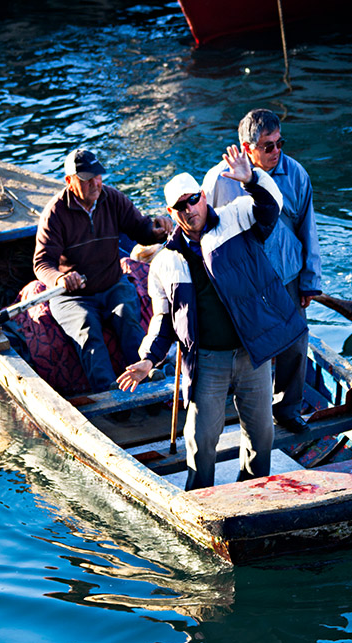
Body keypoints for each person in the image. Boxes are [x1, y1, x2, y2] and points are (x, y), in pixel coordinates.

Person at [117, 146, 307, 491]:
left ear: (203, 197)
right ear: (171, 213)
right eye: (179, 206)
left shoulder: (236, 218)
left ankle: (254, 490)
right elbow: (163, 320)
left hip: (252, 352)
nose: (189, 210)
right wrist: (147, 360)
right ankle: (201, 494)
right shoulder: (163, 263)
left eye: (193, 200)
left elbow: (270, 208)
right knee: (202, 438)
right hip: (207, 360)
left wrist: (251, 179)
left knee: (261, 433)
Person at [202, 109, 322, 433]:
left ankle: (288, 409)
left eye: (280, 142)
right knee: (247, 349)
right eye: (268, 146)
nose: (277, 151)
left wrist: (309, 281)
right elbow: (203, 231)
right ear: (246, 147)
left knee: (296, 343)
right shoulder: (219, 180)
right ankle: (247, 412)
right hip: (245, 283)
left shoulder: (296, 175)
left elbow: (308, 229)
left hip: (286, 275)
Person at [33, 148, 173, 392]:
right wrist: (60, 279)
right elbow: (42, 263)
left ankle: (148, 377)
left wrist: (157, 231)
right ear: (70, 181)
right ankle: (108, 394)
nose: (95, 183)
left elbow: (141, 229)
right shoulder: (54, 214)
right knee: (87, 329)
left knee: (128, 317)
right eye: (87, 179)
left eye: (98, 176)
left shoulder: (112, 198)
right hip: (72, 297)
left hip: (112, 283)